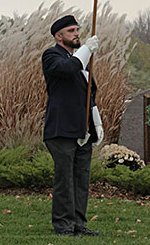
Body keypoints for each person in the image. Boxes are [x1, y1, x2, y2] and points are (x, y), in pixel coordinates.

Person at [42, 15, 102, 236]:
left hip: (82, 130)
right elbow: (67, 69)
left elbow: (89, 93)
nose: (77, 33)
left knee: (80, 179)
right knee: (65, 179)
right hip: (60, 130)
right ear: (59, 36)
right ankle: (64, 226)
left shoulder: (81, 59)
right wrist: (86, 50)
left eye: (77, 29)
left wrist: (95, 121)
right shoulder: (52, 56)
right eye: (71, 31)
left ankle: (79, 224)